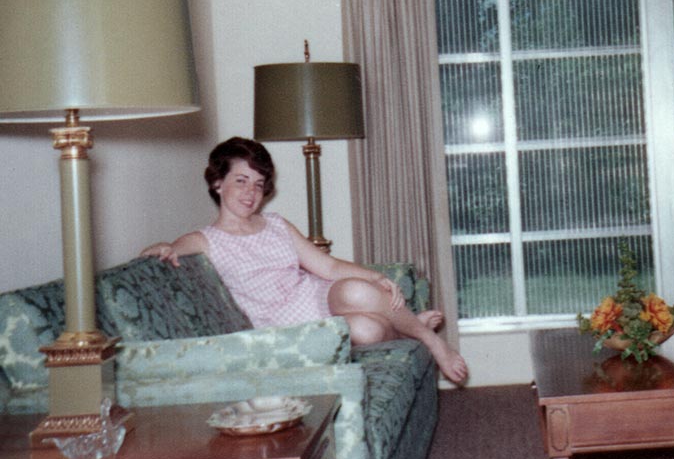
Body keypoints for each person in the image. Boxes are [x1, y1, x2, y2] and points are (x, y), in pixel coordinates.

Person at [141, 137, 468, 384]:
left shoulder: (276, 224)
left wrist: (373, 277)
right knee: (366, 330)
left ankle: (431, 342)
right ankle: (408, 331)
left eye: (258, 184)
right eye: (241, 181)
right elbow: (176, 248)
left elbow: (328, 267)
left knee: (355, 289)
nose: (251, 193)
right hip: (287, 328)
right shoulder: (207, 241)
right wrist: (165, 247)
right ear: (217, 183)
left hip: (315, 296)